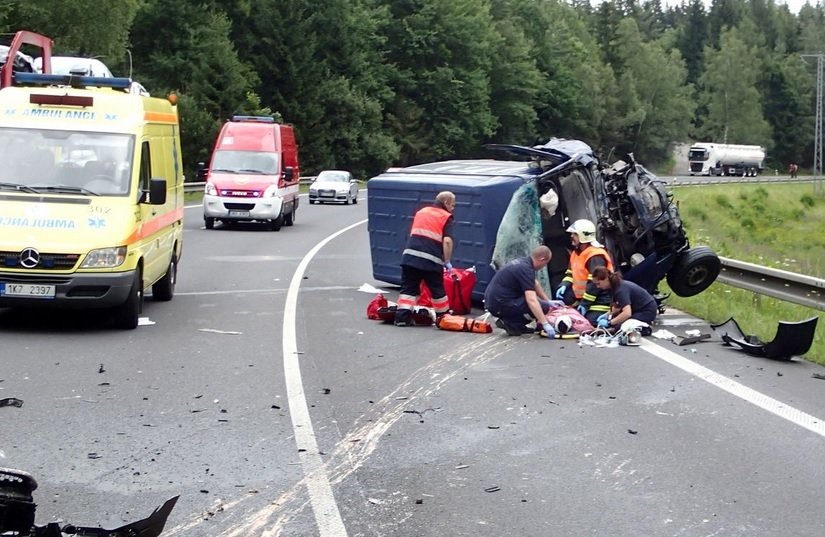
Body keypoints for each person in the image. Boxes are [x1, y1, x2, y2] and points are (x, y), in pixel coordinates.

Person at [394, 191, 456, 326]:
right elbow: (447, 241)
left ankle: (402, 318)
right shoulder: (446, 216)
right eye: (452, 204)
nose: (453, 208)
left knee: (408, 290)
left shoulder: (421, 211)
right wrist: (447, 261)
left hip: (410, 257)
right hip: (431, 260)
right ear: (445, 203)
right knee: (437, 291)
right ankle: (443, 319)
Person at [484, 245, 563, 338]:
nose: (544, 266)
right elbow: (531, 301)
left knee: (543, 304)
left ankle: (515, 324)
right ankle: (511, 323)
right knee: (542, 307)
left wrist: (548, 300)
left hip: (495, 300)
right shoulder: (526, 269)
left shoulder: (524, 262)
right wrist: (545, 323)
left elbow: (534, 283)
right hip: (499, 304)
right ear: (541, 259)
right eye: (545, 263)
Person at [554, 219, 614, 326]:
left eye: (575, 234)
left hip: (601, 299)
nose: (571, 236)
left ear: (583, 236)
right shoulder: (576, 253)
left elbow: (595, 284)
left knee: (588, 322)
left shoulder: (595, 255)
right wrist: (564, 285)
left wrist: (585, 304)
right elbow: (570, 273)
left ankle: (611, 320)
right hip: (584, 298)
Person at [591, 266, 657, 334]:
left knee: (623, 327)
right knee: (617, 322)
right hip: (637, 308)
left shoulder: (620, 290)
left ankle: (645, 329)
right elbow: (618, 306)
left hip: (646, 310)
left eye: (598, 284)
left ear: (606, 279)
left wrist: (609, 322)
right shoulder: (614, 286)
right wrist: (606, 315)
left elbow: (627, 313)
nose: (597, 287)